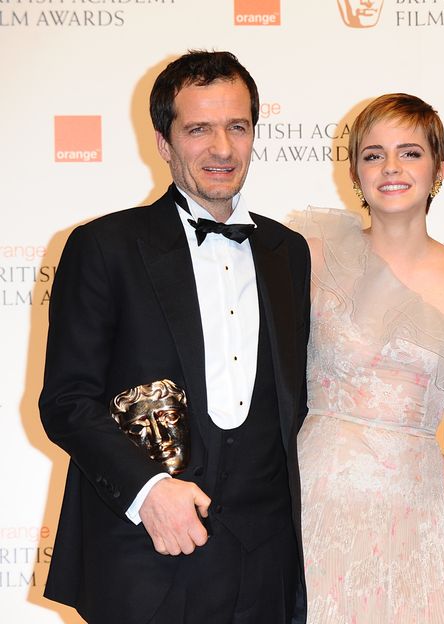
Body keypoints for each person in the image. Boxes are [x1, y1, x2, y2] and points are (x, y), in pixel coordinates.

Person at [38, 51, 311, 624]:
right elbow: (66, 402)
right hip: (149, 558)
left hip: (266, 565)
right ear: (164, 142)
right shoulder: (104, 247)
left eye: (237, 127)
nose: (221, 148)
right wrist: (148, 493)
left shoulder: (290, 253)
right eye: (198, 129)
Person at [292, 93, 444, 623]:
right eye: (373, 154)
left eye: (410, 153)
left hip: (416, 512)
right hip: (315, 502)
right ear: (355, 171)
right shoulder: (311, 256)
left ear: (439, 169)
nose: (390, 167)